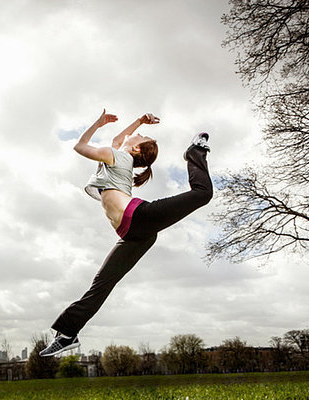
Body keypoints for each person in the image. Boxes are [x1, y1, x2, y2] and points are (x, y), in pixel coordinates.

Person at [40, 109, 213, 357]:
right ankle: (68, 333)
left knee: (203, 194)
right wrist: (139, 121)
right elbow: (120, 139)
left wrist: (98, 124)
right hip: (134, 233)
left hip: (141, 218)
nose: (136, 134)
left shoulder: (117, 158)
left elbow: (80, 146)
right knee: (102, 284)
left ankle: (195, 152)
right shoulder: (119, 159)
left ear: (135, 150)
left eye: (138, 136)